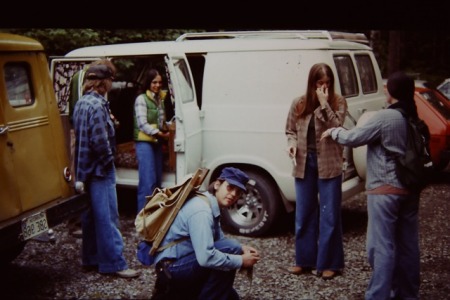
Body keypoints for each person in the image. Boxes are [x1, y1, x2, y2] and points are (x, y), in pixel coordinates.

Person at [320, 71, 421, 299]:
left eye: (387, 86)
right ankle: (407, 294)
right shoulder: (413, 116)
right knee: (407, 245)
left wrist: (334, 131)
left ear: (392, 91)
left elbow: (353, 138)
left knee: (381, 247)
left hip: (384, 190)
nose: (385, 89)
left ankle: (378, 295)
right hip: (410, 189)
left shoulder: (386, 117)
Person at [73, 61, 140, 278]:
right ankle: (114, 263)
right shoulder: (98, 106)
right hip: (101, 170)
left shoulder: (82, 103)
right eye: (110, 80)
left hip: (84, 169)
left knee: (90, 218)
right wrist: (109, 160)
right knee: (109, 217)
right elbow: (100, 142)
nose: (112, 83)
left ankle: (90, 259)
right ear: (104, 82)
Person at [151, 167, 261, 300]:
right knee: (232, 248)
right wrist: (241, 261)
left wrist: (242, 248)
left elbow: (218, 240)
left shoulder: (209, 202)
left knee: (231, 297)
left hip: (182, 263)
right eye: (230, 187)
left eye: (238, 192)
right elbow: (206, 258)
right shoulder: (202, 210)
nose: (233, 194)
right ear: (217, 185)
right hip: (171, 269)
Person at [284, 63, 348, 280]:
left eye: (327, 83)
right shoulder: (299, 103)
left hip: (329, 164)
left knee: (329, 215)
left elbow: (337, 126)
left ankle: (330, 264)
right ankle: (304, 260)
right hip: (304, 163)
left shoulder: (338, 102)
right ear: (312, 83)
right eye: (320, 83)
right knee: (304, 214)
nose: (324, 88)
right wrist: (291, 143)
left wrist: (323, 104)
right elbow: (290, 130)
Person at [134, 68, 170, 213]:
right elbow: (142, 124)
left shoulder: (159, 98)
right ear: (148, 83)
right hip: (144, 142)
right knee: (147, 182)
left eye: (160, 82)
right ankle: (142, 218)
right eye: (154, 82)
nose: (157, 85)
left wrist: (167, 128)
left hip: (156, 141)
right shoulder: (141, 99)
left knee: (157, 181)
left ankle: (154, 215)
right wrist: (160, 133)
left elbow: (161, 120)